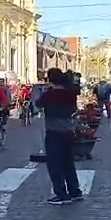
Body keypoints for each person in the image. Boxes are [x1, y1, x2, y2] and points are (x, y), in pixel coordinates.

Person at [35, 68, 82, 205]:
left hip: (54, 132)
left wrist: (45, 91)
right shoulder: (70, 94)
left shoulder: (49, 95)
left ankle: (61, 194)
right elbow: (73, 109)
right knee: (68, 163)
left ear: (50, 80)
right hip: (68, 132)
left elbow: (37, 104)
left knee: (55, 164)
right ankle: (75, 192)